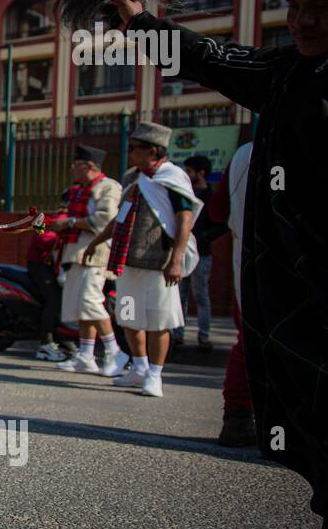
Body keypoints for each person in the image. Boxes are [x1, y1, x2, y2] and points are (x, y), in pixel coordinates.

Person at [115, 0, 328, 529]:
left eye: (320, 10)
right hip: (300, 318)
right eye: (294, 7)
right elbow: (209, 56)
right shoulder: (290, 74)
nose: (303, 21)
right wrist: (138, 18)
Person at [82, 123, 200, 398]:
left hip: (160, 262)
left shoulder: (172, 178)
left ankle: (155, 376)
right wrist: (97, 242)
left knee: (159, 322)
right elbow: (120, 216)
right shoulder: (133, 178)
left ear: (153, 151)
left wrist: (177, 259)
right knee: (129, 318)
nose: (129, 152)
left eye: (135, 148)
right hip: (128, 261)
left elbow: (185, 220)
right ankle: (138, 367)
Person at [51, 145, 126, 377]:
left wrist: (70, 222)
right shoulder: (76, 191)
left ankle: (115, 352)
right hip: (75, 252)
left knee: (90, 301)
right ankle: (86, 356)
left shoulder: (109, 187)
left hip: (96, 253)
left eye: (76, 165)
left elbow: (106, 220)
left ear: (90, 166)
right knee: (80, 306)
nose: (72, 169)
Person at [208, 141, 254, 447]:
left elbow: (217, 211)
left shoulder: (244, 153)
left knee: (250, 340)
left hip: (250, 256)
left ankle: (236, 419)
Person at [172, 155, 220, 351]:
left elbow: (222, 222)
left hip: (202, 253)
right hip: (182, 251)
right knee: (179, 295)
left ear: (201, 173)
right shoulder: (183, 193)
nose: (186, 173)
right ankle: (178, 334)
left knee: (201, 295)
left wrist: (204, 236)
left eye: (190, 170)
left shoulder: (211, 196)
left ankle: (204, 335)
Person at [27, 209, 65, 361]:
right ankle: (46, 341)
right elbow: (42, 238)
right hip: (40, 265)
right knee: (53, 299)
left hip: (55, 267)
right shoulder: (59, 218)